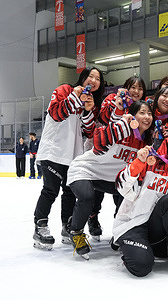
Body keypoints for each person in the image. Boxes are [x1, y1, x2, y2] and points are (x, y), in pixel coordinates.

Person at [67, 100, 154, 258]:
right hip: (85, 170)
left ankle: (120, 230)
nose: (147, 117)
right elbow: (98, 139)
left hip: (112, 179)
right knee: (87, 197)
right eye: (142, 112)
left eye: (149, 113)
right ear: (132, 116)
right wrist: (121, 125)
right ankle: (76, 231)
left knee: (131, 193)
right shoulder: (122, 129)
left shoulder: (147, 142)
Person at [32, 67, 105, 250]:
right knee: (50, 190)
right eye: (91, 76)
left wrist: (88, 111)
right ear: (83, 77)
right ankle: (40, 226)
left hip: (74, 155)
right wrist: (74, 97)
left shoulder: (91, 103)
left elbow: (88, 132)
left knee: (70, 192)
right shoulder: (65, 90)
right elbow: (56, 114)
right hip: (54, 151)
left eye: (98, 78)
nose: (94, 80)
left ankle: (67, 226)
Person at [113, 129, 168, 276]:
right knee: (141, 267)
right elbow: (122, 186)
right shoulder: (152, 161)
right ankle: (127, 245)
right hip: (133, 223)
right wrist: (138, 162)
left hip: (158, 230)